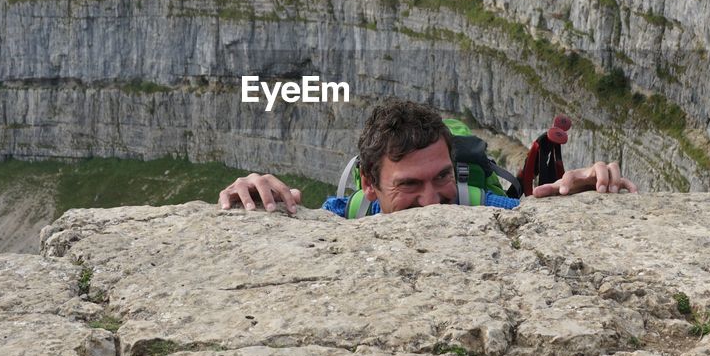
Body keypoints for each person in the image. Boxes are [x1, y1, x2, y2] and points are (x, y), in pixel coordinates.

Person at [218, 98, 637, 217]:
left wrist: (585, 190)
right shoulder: (343, 214)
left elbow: (534, 210)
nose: (433, 201)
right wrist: (256, 194)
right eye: (409, 185)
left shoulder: (479, 204)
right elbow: (305, 220)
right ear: (369, 185)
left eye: (441, 177)